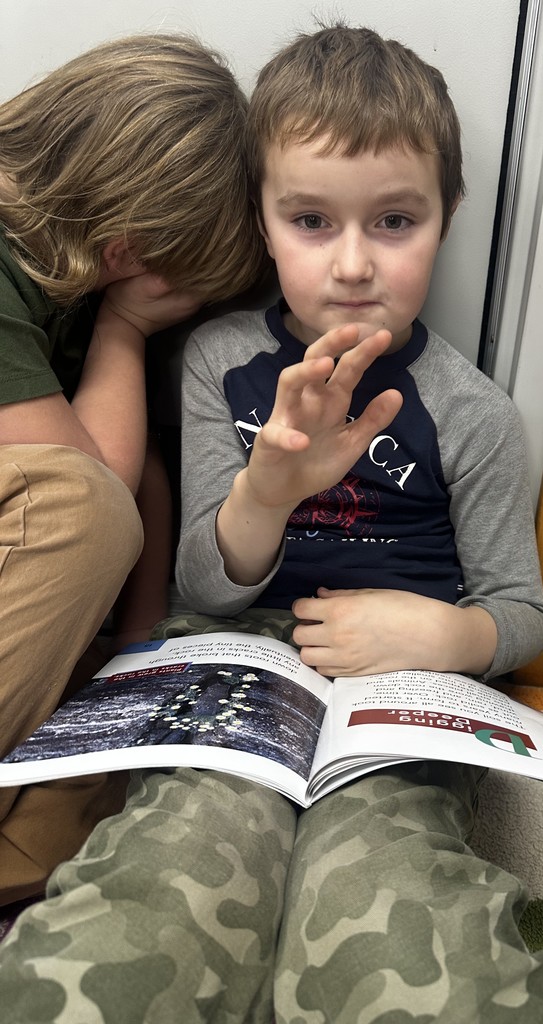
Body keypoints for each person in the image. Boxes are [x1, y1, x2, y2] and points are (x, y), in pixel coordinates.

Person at [0, 25, 543, 1024]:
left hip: (399, 689)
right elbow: (200, 580)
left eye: (397, 221)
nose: (356, 264)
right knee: (171, 872)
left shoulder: (477, 415)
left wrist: (449, 633)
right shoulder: (214, 362)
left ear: (446, 218)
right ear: (264, 223)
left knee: (392, 907)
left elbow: (520, 610)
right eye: (313, 221)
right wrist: (267, 489)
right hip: (234, 661)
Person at [0, 33, 266, 905]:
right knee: (82, 508)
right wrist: (125, 330)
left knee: (94, 798)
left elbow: (145, 470)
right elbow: (87, 492)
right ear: (126, 253)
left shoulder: (62, 293)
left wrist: (138, 655)